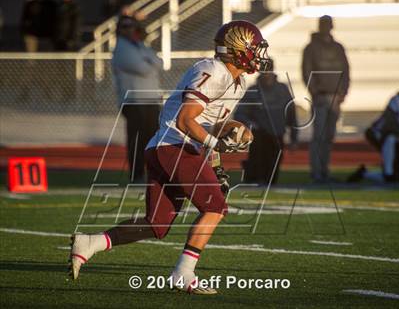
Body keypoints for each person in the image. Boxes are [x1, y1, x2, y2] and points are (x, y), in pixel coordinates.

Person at [69, 20, 271, 294]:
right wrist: (216, 146)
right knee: (215, 209)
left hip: (167, 148)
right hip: (174, 147)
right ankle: (183, 272)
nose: (259, 54)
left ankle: (90, 243)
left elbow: (210, 123)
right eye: (255, 47)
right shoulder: (212, 70)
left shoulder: (237, 83)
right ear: (238, 48)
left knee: (157, 224)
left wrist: (236, 130)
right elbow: (186, 120)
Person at [112, 16, 162, 182]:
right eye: (126, 26)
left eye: (132, 26)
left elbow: (158, 62)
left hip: (150, 100)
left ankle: (152, 173)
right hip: (134, 101)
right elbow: (143, 68)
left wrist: (149, 60)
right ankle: (137, 174)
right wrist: (149, 62)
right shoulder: (122, 48)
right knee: (137, 141)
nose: (130, 29)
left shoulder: (140, 46)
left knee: (152, 139)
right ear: (119, 30)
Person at [302, 15, 350, 183]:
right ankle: (316, 171)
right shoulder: (311, 48)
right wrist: (315, 92)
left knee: (329, 136)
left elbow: (346, 70)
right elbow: (306, 72)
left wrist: (343, 92)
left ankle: (325, 170)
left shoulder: (338, 48)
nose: (326, 28)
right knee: (319, 136)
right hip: (320, 98)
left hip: (336, 99)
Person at [235, 63, 298, 184]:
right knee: (257, 170)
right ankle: (253, 180)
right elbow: (240, 114)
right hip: (259, 137)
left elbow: (291, 113)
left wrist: (294, 138)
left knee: (272, 176)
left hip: (278, 135)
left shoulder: (283, 89)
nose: (266, 74)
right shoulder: (252, 90)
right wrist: (253, 125)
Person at [348, 81, 399, 183]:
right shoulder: (396, 102)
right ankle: (388, 173)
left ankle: (365, 174)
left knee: (395, 171)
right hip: (377, 134)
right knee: (390, 141)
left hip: (393, 138)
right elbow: (390, 126)